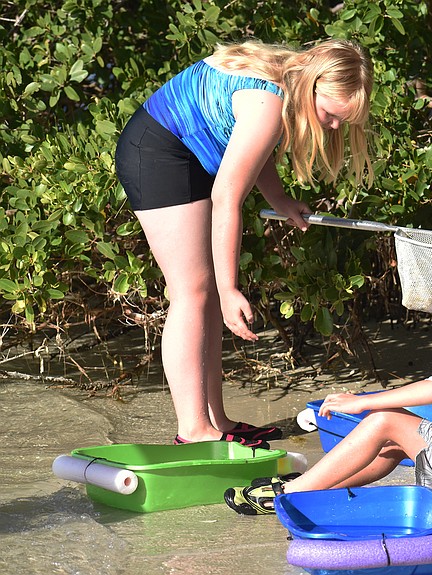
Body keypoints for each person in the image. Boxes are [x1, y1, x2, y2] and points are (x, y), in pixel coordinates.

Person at [114, 39, 373, 447]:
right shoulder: (268, 103)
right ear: (311, 86)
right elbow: (227, 199)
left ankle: (216, 421)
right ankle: (194, 431)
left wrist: (280, 200)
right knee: (193, 292)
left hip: (191, 155)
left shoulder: (286, 87)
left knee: (206, 295)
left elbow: (253, 151)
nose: (335, 127)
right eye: (331, 115)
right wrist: (229, 287)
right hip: (158, 151)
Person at [224, 231, 432, 514]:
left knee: (385, 420)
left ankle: (288, 496)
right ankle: (312, 488)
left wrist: (362, 402)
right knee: (396, 439)